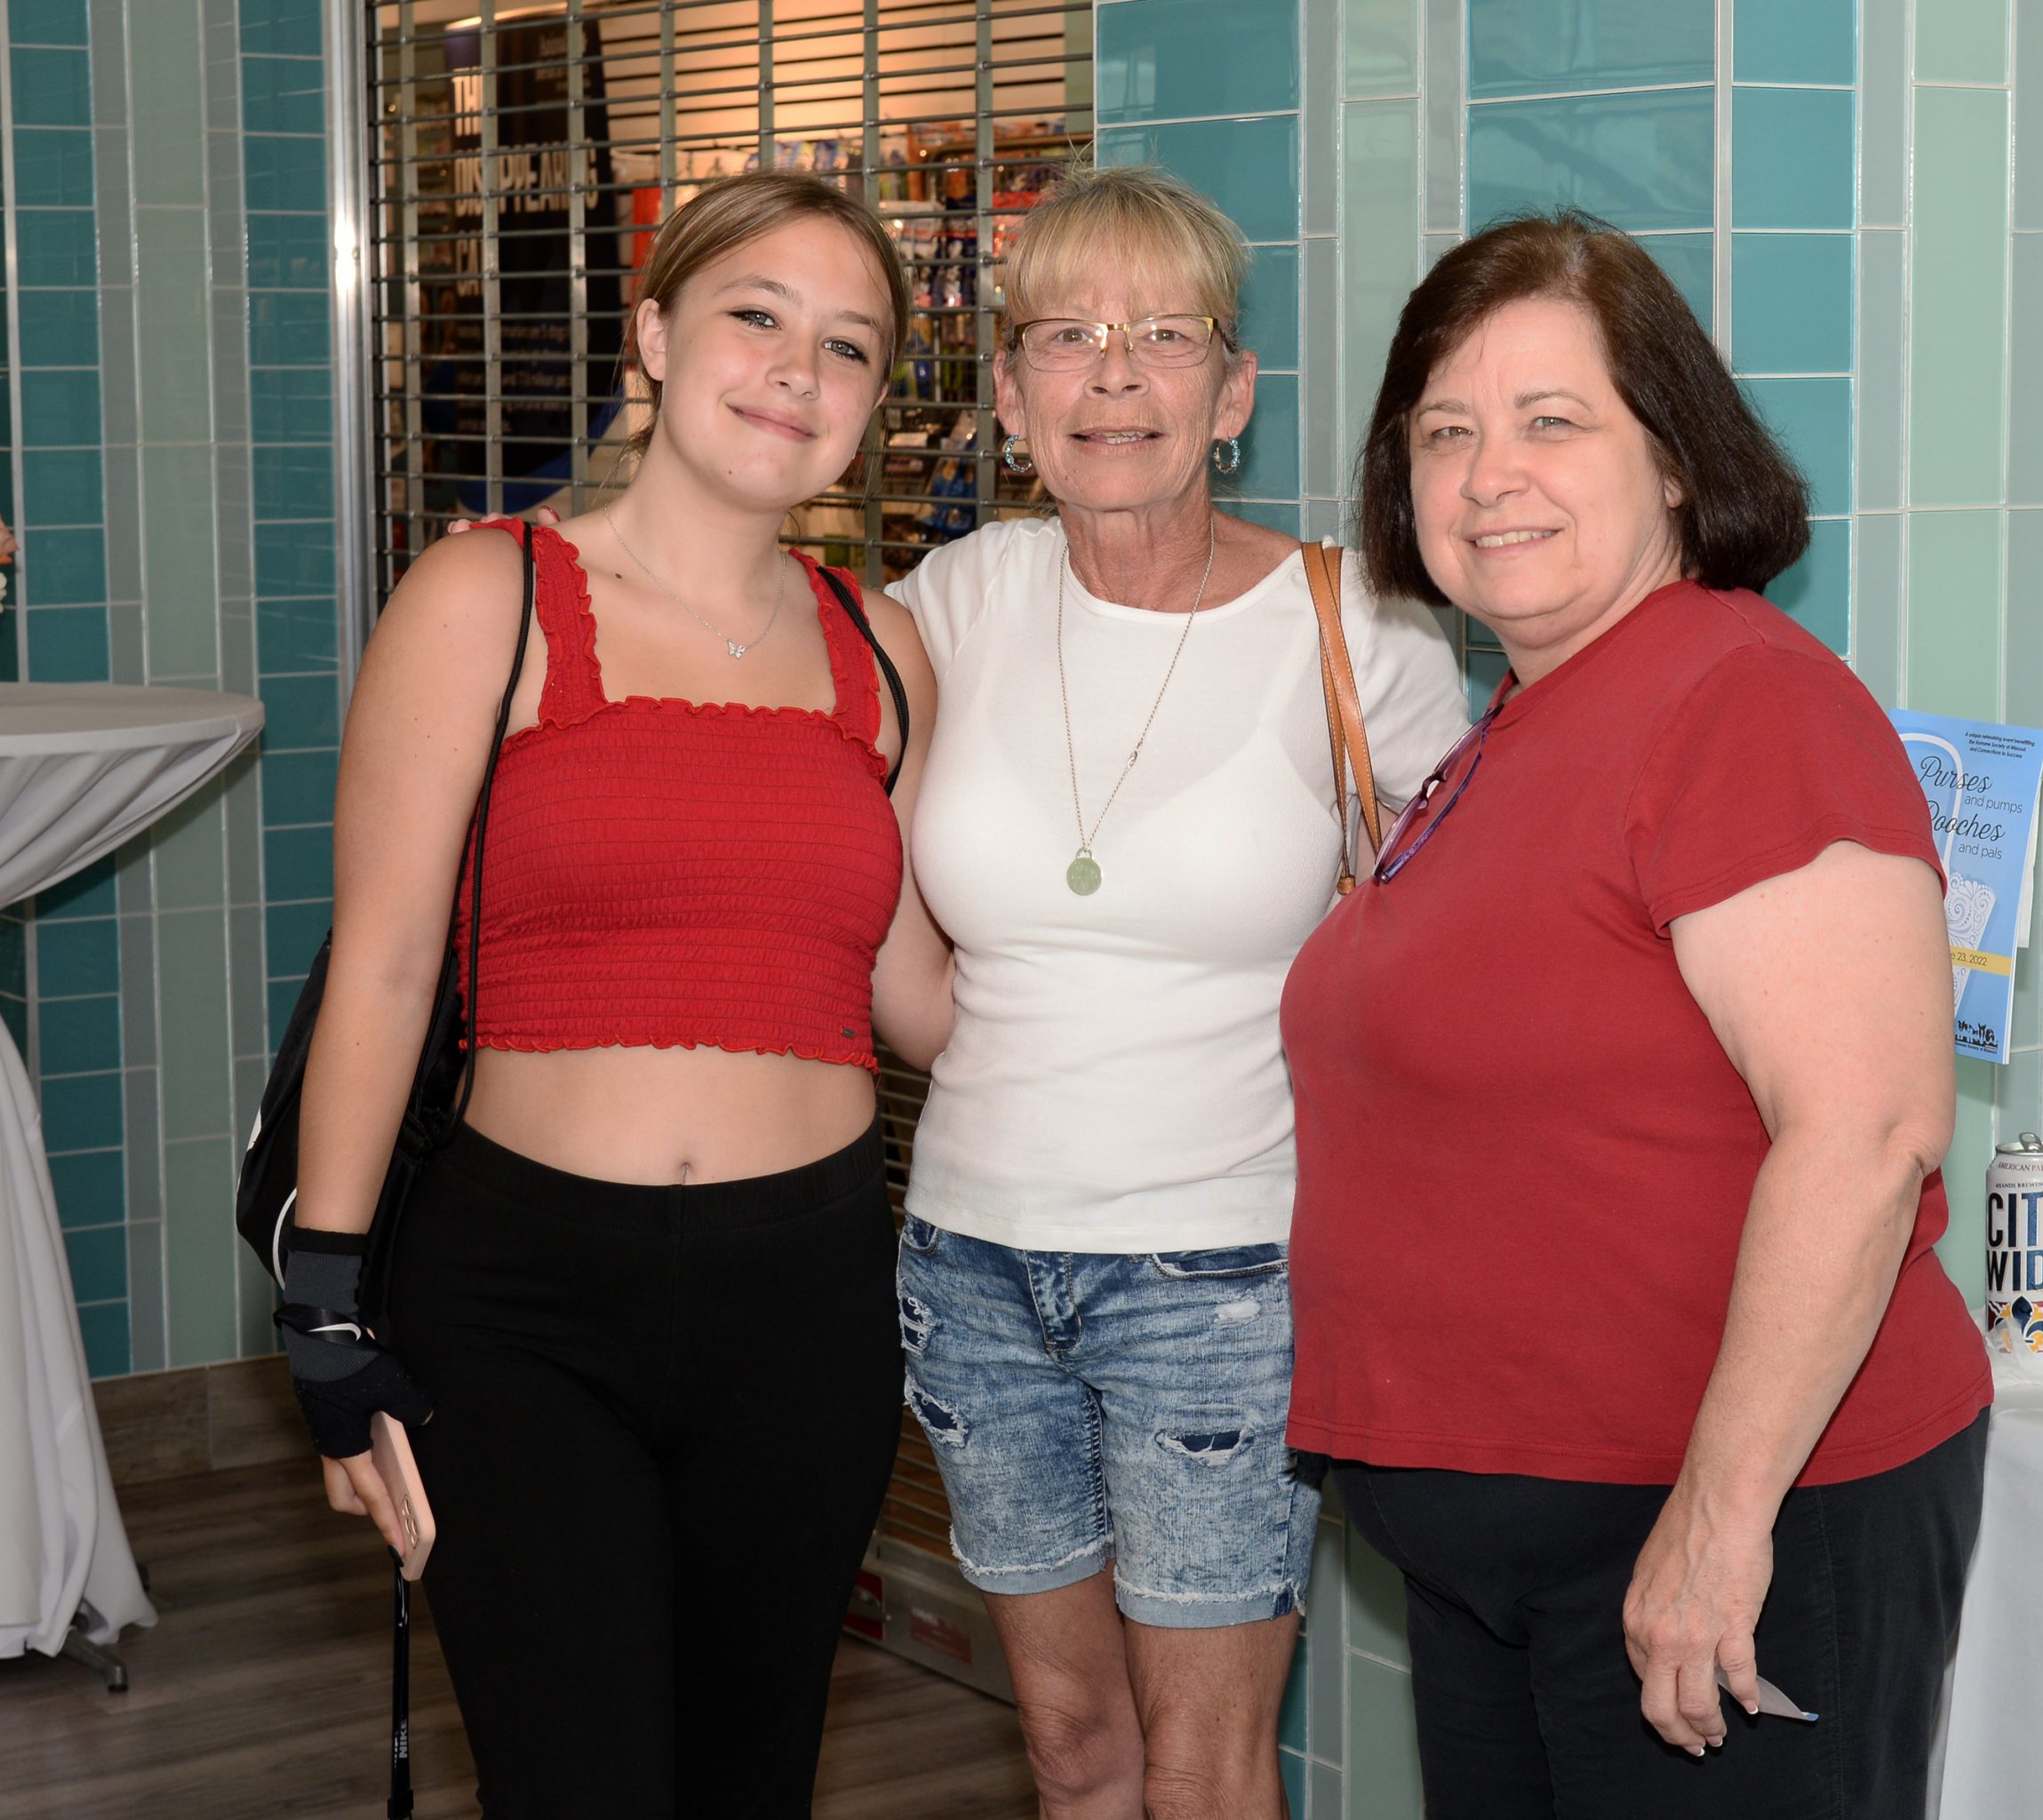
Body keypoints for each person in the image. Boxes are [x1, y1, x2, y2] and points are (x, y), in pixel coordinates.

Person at [1279, 210, 1992, 1819]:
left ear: (1673, 458)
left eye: (1552, 421)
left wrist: (1719, 1521)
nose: (1488, 477)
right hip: (1516, 1552)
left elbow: (1869, 1131)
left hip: (1720, 1530)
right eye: (1444, 432)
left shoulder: (1741, 702)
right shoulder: (1530, 717)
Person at [283, 172, 946, 1819]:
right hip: (521, 1310)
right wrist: (326, 1311)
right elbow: (385, 960)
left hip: (809, 1308)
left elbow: (918, 991)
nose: (797, 371)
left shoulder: (885, 652)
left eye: (848, 346)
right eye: (755, 316)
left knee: (751, 1783)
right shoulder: (485, 595)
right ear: (651, 334)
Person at [886, 164, 1468, 1817]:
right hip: (968, 1265)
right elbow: (876, 921)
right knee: (1074, 1751)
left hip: (1223, 1276)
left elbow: (1464, 945)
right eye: (1066, 335)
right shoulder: (944, 608)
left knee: (1207, 1773)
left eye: (1164, 334)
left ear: (1234, 392)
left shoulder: (1358, 631)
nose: (1116, 375)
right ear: (1011, 398)